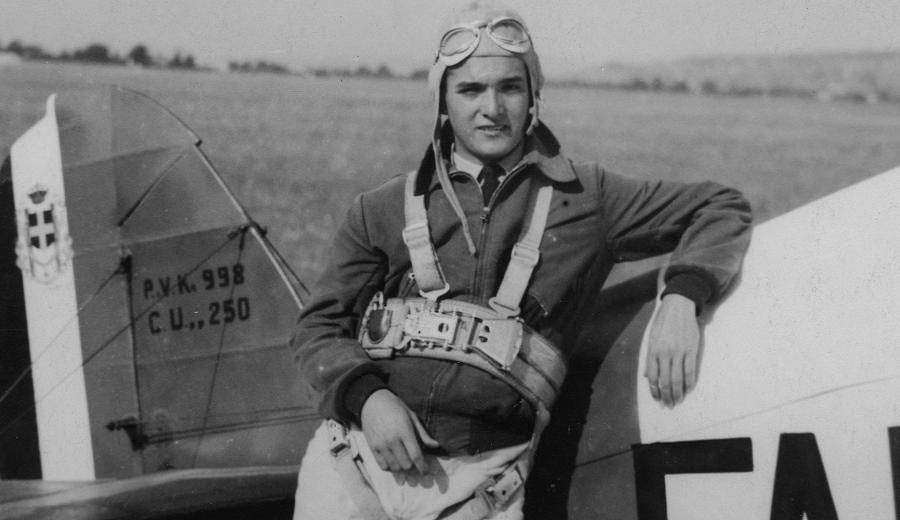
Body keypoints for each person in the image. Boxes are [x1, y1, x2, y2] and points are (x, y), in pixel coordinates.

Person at [290, 2, 752, 519]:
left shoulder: (589, 197)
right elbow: (319, 329)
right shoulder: (379, 208)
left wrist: (681, 297)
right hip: (354, 463)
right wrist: (368, 400)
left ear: (533, 95)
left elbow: (721, 205)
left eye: (509, 86)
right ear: (442, 101)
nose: (492, 107)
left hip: (479, 490)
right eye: (470, 89)